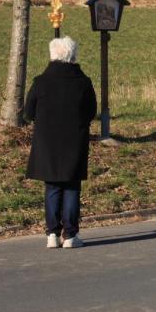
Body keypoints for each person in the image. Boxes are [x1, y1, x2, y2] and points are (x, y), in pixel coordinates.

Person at [24, 36, 97, 249]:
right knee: (72, 186)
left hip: (47, 141)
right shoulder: (83, 83)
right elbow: (91, 111)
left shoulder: (41, 82)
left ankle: (52, 234)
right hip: (75, 140)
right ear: (73, 56)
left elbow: (29, 112)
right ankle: (71, 235)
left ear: (52, 55)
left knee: (52, 186)